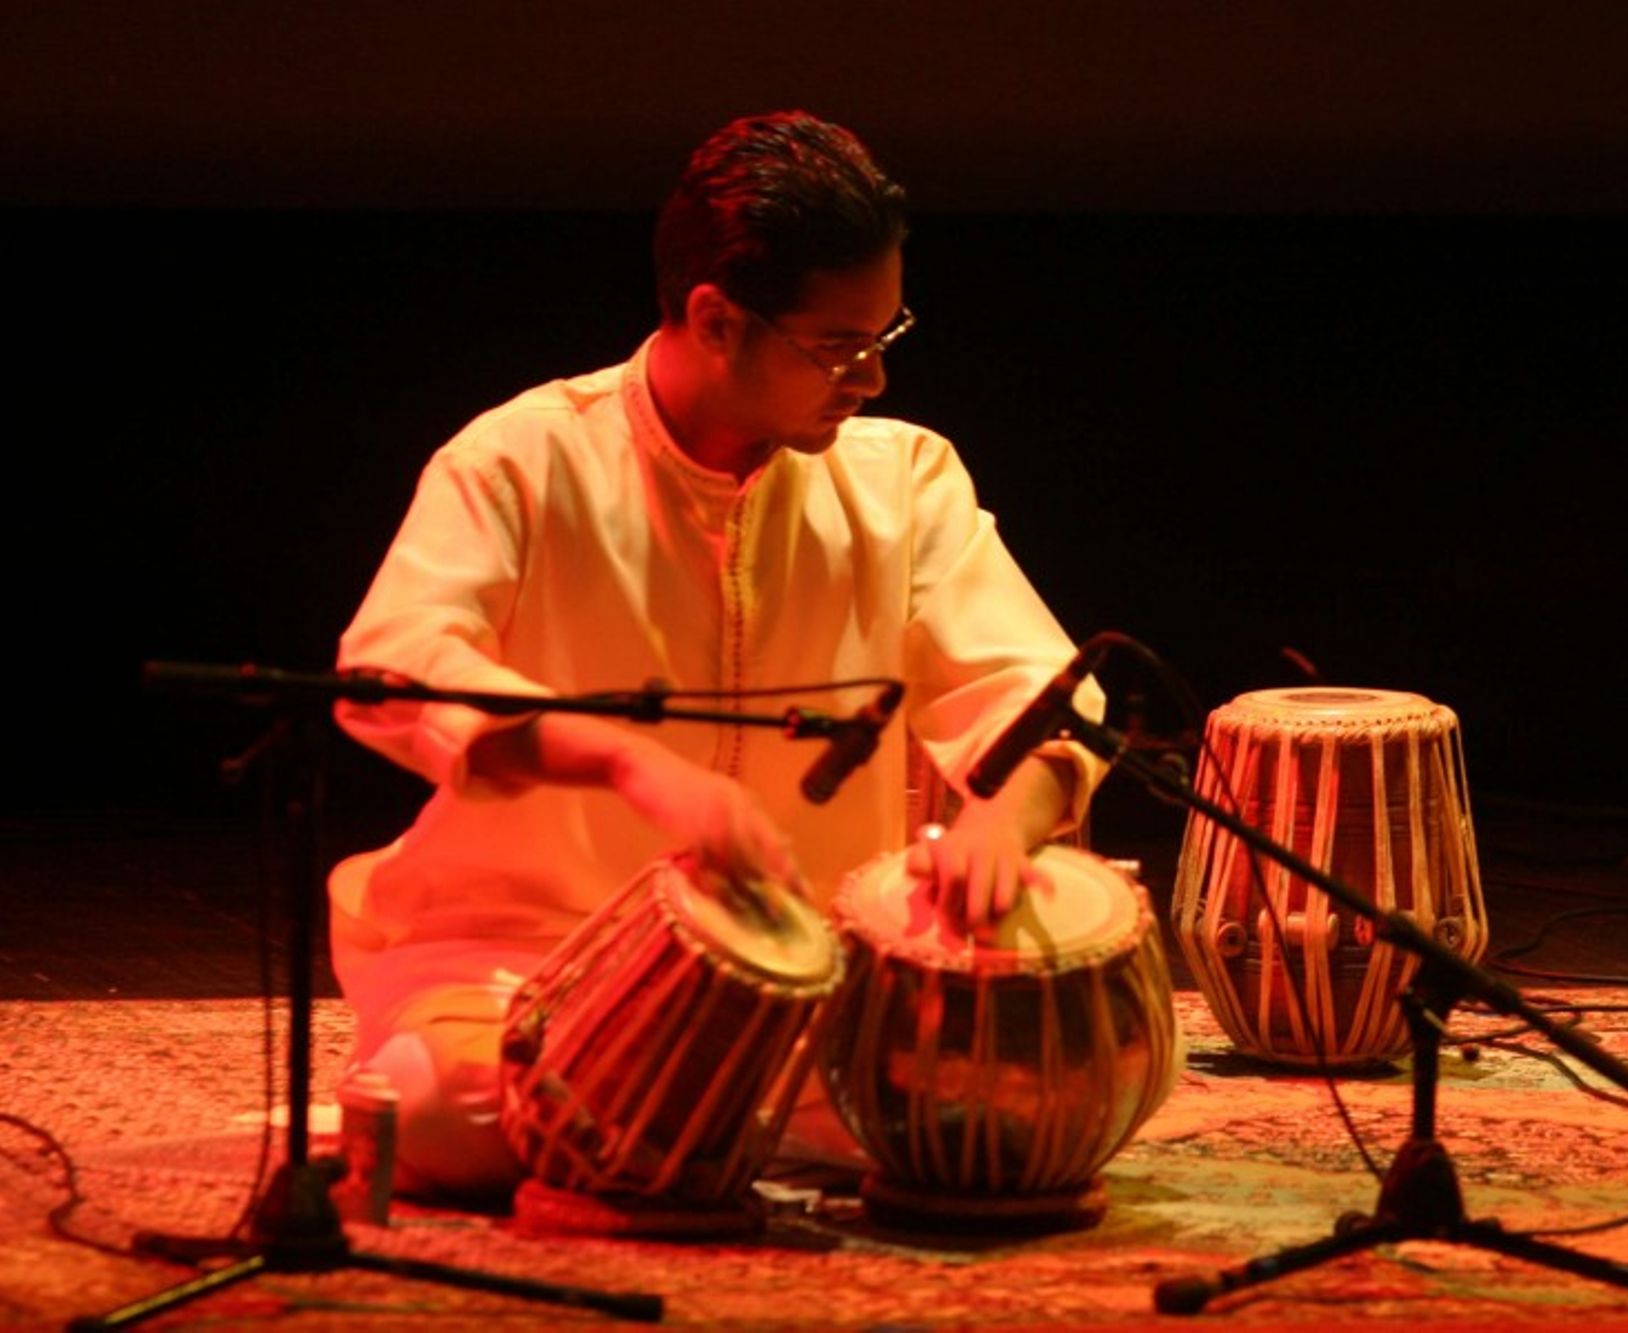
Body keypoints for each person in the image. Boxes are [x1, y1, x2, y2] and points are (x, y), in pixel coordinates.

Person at [325, 111, 1106, 1202]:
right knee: (438, 1115)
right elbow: (393, 665)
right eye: (838, 345)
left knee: (1033, 1101)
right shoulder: (526, 455)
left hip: (812, 974)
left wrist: (1003, 817)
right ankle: (701, 1120)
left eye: (888, 335)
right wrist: (630, 763)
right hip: (524, 959)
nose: (872, 378)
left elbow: (1037, 690)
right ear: (715, 319)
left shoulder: (903, 480)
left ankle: (691, 1127)